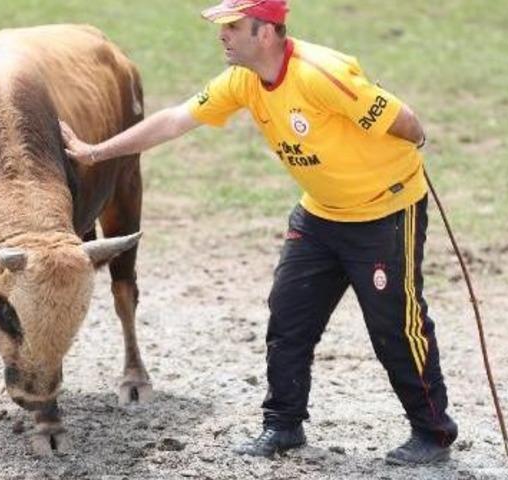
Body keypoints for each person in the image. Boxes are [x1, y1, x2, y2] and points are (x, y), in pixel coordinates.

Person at [60, 0, 458, 465]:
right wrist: (94, 153)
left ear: (265, 32)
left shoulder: (321, 75)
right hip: (321, 214)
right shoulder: (243, 80)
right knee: (288, 318)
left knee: (394, 326)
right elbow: (175, 120)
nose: (223, 34)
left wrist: (397, 158)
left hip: (384, 213)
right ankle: (282, 425)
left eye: (233, 26)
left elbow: (408, 124)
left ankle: (432, 432)